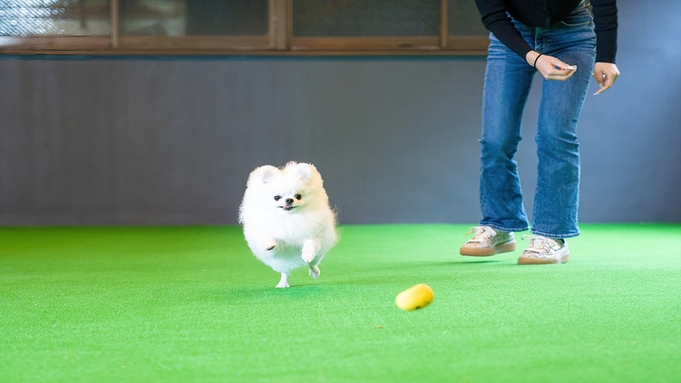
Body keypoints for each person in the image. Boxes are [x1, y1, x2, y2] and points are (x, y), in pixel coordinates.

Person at [460, 0, 620, 264]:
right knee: (496, 138)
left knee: (554, 135)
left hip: (572, 35)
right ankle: (500, 224)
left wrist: (606, 56)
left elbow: (604, 2)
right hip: (512, 34)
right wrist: (534, 57)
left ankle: (552, 235)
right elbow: (493, 15)